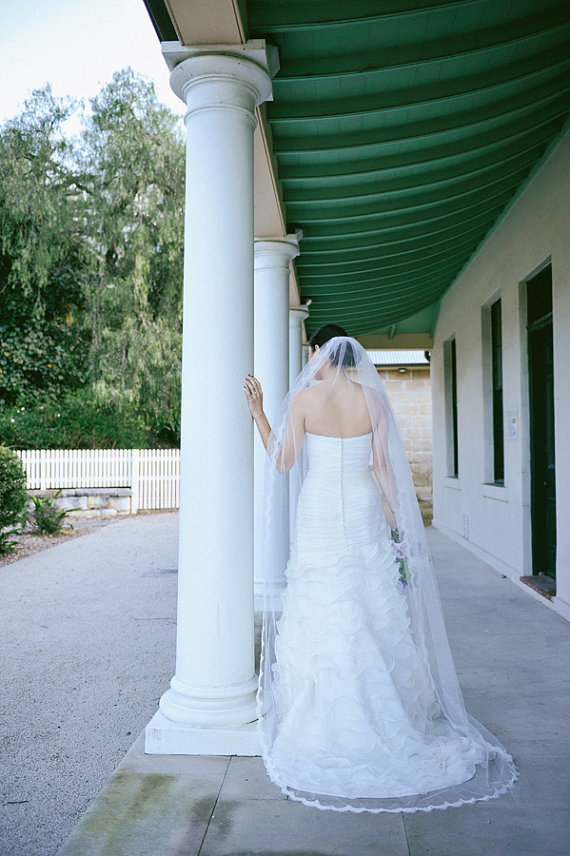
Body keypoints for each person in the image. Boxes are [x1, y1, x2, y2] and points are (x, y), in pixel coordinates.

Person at [244, 325, 517, 813]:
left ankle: (327, 719)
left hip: (320, 512)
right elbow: (384, 470)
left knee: (324, 600)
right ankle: (385, 711)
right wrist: (403, 529)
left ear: (316, 354)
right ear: (351, 357)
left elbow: (281, 462)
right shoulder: (372, 397)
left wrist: (259, 414)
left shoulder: (304, 401)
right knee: (369, 600)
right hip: (365, 507)